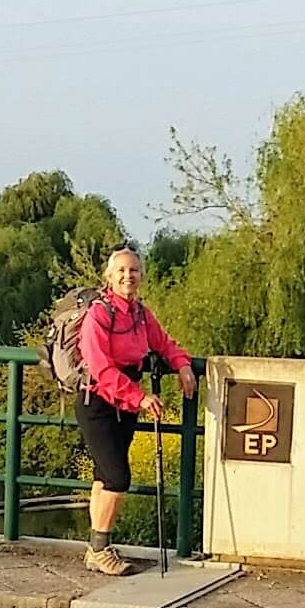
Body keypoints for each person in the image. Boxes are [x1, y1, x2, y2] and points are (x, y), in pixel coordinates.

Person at [75, 246, 196, 576]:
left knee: (104, 475)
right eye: (122, 271)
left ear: (141, 275)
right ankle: (101, 549)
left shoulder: (141, 314)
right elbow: (100, 367)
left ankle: (95, 549)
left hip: (125, 405)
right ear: (109, 277)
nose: (128, 276)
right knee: (117, 476)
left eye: (134, 270)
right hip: (97, 401)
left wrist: (182, 365)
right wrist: (140, 397)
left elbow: (164, 343)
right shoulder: (99, 315)